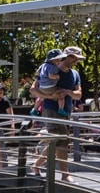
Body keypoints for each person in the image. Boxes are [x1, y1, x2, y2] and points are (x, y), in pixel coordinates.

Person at [30, 46, 83, 179]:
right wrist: (49, 97)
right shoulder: (50, 68)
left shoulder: (75, 74)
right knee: (62, 140)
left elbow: (78, 94)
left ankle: (36, 165)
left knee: (57, 141)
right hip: (51, 109)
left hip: (65, 110)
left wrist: (68, 92)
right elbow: (33, 89)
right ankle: (65, 174)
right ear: (68, 57)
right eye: (75, 58)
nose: (76, 61)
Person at [30, 48, 66, 115]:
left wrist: (40, 77)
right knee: (61, 94)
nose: (59, 62)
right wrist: (57, 76)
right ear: (52, 60)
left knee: (41, 98)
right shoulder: (53, 67)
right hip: (50, 87)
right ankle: (61, 109)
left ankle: (34, 109)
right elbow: (51, 76)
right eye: (57, 60)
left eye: (60, 60)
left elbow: (37, 73)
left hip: (42, 87)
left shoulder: (43, 65)